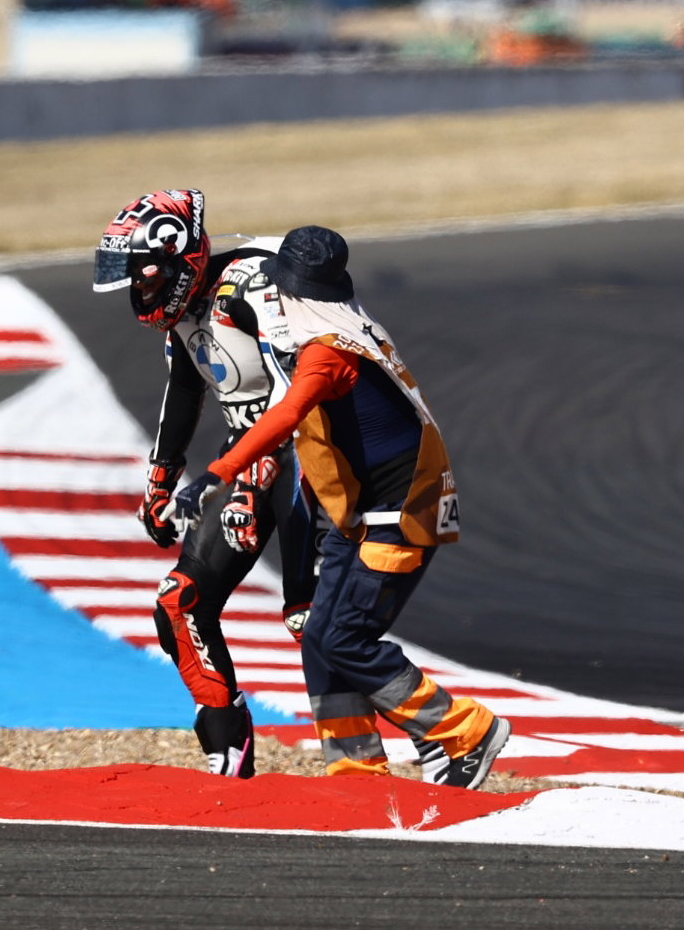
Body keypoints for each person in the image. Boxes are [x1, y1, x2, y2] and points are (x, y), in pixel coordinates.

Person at [178, 225, 511, 789]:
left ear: (290, 293)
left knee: (344, 636)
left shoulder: (327, 351)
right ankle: (356, 765)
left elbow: (283, 417)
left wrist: (215, 472)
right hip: (352, 513)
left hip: (398, 514)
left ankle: (462, 730)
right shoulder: (349, 327)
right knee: (319, 635)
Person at [91, 188, 319, 779]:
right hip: (245, 459)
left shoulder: (250, 285)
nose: (139, 296)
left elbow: (304, 393)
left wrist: (263, 467)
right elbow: (186, 392)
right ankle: (229, 753)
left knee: (311, 619)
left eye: (144, 280)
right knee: (178, 604)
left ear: (180, 260)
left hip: (314, 455)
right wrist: (160, 478)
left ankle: (431, 737)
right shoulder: (182, 316)